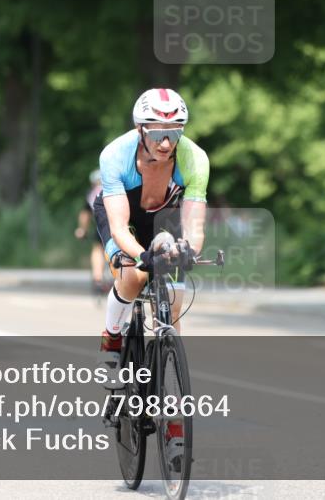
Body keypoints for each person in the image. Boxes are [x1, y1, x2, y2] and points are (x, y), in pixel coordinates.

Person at [92, 88, 208, 468]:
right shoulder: (115, 155)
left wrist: (189, 248)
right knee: (131, 276)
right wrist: (139, 257)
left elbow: (193, 222)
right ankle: (112, 337)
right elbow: (120, 225)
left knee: (173, 303)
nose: (164, 141)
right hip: (124, 217)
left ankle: (172, 421)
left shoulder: (194, 159)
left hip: (164, 216)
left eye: (174, 132)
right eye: (157, 131)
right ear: (140, 129)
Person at [75, 169, 107, 292]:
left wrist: (82, 229)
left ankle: (97, 278)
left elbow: (85, 213)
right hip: (120, 223)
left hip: (101, 225)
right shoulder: (117, 186)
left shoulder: (92, 193)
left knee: (98, 248)